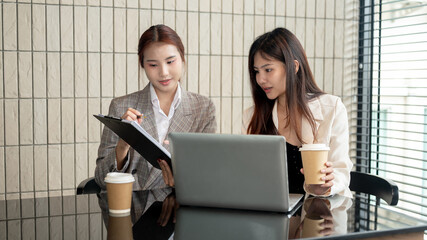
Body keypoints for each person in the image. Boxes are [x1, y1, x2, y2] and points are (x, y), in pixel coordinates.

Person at [95, 24, 216, 190]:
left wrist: (182, 180)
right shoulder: (121, 106)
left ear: (182, 58)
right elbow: (101, 178)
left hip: (182, 207)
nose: (164, 72)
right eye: (153, 65)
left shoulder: (203, 108)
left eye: (170, 61)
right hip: (134, 208)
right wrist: (123, 145)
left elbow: (209, 174)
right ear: (143, 65)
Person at [242, 28, 352, 197]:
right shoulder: (252, 116)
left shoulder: (332, 108)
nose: (260, 79)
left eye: (268, 70)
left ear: (293, 67)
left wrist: (327, 184)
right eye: (257, 71)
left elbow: (340, 171)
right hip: (270, 214)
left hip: (320, 214)